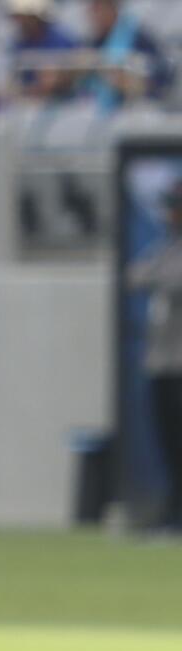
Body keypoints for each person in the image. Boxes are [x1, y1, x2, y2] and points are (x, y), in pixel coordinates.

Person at [126, 180, 182, 531]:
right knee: (168, 440)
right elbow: (135, 276)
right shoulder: (166, 247)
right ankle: (172, 509)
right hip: (163, 363)